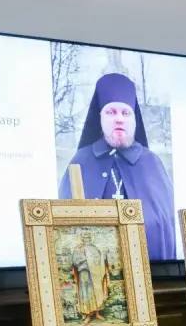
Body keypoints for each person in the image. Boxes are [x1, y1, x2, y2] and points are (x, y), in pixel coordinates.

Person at [60, 73, 176, 261]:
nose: (119, 119)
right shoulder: (80, 161)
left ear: (134, 120)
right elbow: (63, 228)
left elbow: (165, 227)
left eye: (125, 113)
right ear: (100, 118)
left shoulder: (151, 163)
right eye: (111, 112)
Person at [71, 232, 111, 325]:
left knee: (96, 292)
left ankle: (97, 313)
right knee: (86, 293)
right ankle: (88, 315)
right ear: (82, 238)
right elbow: (75, 261)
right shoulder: (78, 248)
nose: (87, 238)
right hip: (84, 273)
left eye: (88, 237)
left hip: (95, 274)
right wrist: (87, 260)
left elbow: (100, 260)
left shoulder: (94, 248)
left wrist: (103, 255)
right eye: (85, 237)